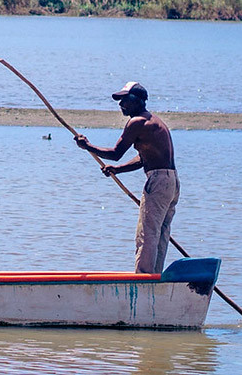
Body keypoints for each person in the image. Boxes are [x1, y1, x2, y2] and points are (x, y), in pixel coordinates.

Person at [74, 82, 177, 274]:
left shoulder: (137, 122)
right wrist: (118, 170)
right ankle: (154, 276)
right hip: (170, 182)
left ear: (137, 101)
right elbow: (143, 158)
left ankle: (143, 279)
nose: (121, 105)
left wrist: (87, 146)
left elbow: (115, 152)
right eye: (120, 101)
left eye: (125, 100)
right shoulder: (154, 120)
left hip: (158, 181)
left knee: (147, 234)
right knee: (160, 233)